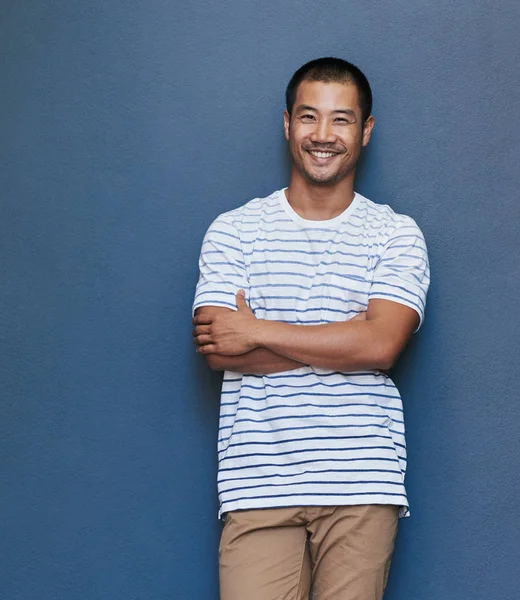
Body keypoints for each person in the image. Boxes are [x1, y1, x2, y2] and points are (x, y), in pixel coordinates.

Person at [192, 57, 430, 600]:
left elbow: (383, 344)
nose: (323, 136)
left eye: (341, 120)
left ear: (365, 131)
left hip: (361, 485)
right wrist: (347, 339)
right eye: (309, 117)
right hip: (257, 485)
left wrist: (258, 329)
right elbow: (220, 345)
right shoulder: (233, 231)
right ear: (287, 124)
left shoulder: (396, 235)